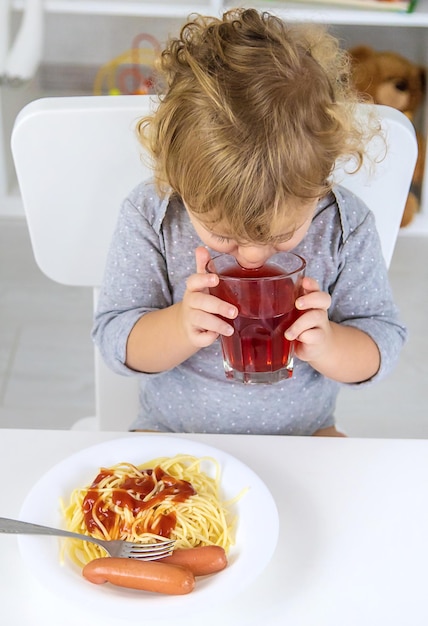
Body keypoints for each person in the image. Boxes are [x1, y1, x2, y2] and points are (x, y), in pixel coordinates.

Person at [92, 8, 407, 436]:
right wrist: (180, 326)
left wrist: (329, 344)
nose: (254, 258)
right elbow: (114, 341)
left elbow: (382, 344)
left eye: (282, 237)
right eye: (222, 235)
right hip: (173, 430)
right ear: (179, 184)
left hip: (304, 435)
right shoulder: (154, 216)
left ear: (321, 182)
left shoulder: (344, 225)